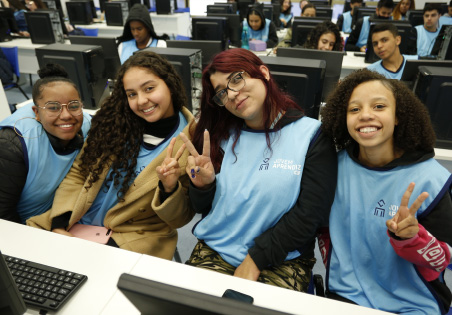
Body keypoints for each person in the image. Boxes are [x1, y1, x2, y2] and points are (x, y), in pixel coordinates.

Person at [180, 48, 337, 291]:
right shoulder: (221, 136)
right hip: (217, 248)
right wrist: (203, 186)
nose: (231, 94)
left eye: (236, 79)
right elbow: (205, 209)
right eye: (222, 92)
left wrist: (255, 259)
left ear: (263, 72)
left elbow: (310, 215)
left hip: (282, 257)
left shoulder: (312, 136)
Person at [27, 51, 195, 259]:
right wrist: (59, 224)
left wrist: (169, 189)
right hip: (76, 220)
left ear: (169, 84)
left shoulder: (192, 144)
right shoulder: (114, 124)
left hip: (130, 237)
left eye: (149, 88)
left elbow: (180, 219)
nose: (141, 101)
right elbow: (80, 172)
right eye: (131, 94)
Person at [319, 69, 452, 314]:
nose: (365, 115)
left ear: (398, 116)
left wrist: (413, 238)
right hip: (345, 294)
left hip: (412, 303)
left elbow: (443, 260)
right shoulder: (332, 167)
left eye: (379, 106)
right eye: (354, 109)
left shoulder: (430, 179)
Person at [0, 64, 91, 224]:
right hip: (25, 225)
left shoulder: (86, 123)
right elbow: (3, 214)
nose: (66, 115)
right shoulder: (12, 145)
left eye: (74, 106)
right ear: (37, 113)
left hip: (61, 212)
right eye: (53, 108)